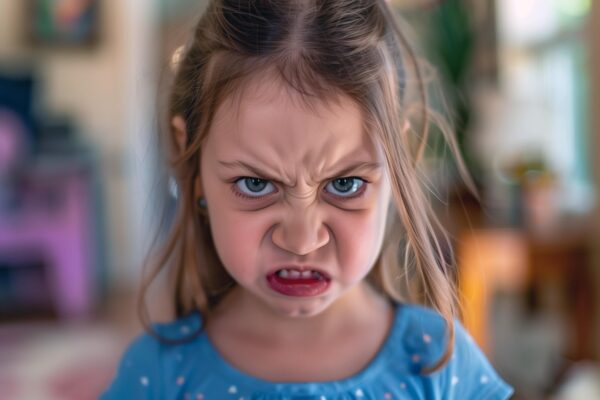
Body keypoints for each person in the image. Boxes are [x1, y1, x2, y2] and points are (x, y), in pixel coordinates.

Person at [102, 0, 513, 398]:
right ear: (190, 160)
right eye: (255, 184)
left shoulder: (441, 363)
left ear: (397, 160)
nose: (301, 241)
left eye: (346, 185)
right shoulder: (157, 375)